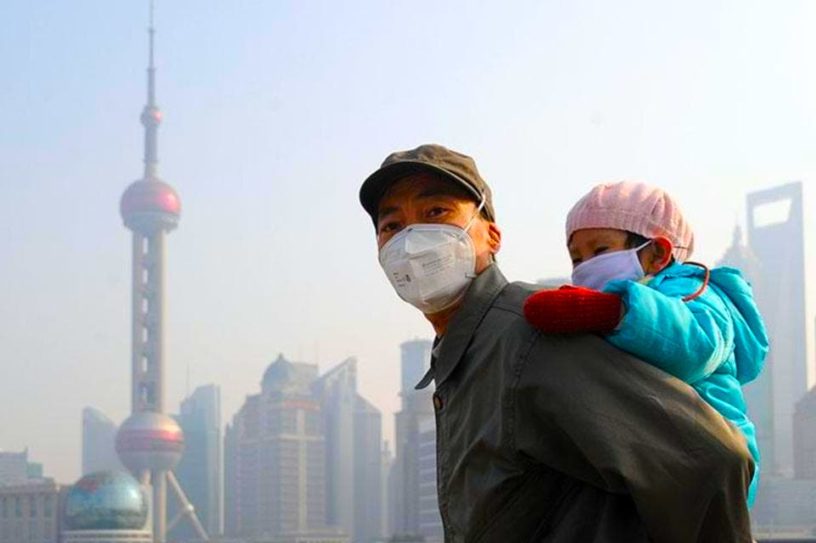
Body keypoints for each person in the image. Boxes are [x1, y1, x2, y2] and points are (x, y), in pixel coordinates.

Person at [359, 144, 755, 542]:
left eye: (436, 213)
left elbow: (711, 460)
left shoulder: (530, 334)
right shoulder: (463, 354)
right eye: (391, 226)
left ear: (491, 235)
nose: (411, 240)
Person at [523, 181, 769, 508]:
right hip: (656, 462)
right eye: (577, 258)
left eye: (599, 251)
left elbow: (696, 347)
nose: (584, 268)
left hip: (709, 463)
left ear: (657, 254)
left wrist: (617, 311)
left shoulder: (698, 292)